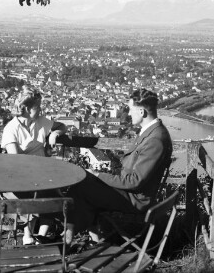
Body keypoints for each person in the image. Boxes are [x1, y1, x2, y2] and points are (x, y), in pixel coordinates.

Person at [64, 88, 173, 244]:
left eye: (130, 109)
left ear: (141, 112)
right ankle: (92, 239)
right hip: (130, 193)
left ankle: (68, 238)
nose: (128, 113)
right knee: (84, 185)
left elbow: (134, 181)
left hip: (135, 200)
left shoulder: (155, 139)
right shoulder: (152, 133)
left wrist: (97, 174)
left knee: (80, 189)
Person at [1, 85, 67, 245]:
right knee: (32, 197)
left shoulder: (40, 122)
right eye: (37, 107)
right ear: (25, 108)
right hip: (20, 176)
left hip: (42, 174)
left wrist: (55, 134)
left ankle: (41, 235)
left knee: (56, 196)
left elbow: (61, 126)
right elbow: (15, 160)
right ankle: (28, 235)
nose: (40, 110)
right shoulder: (11, 129)